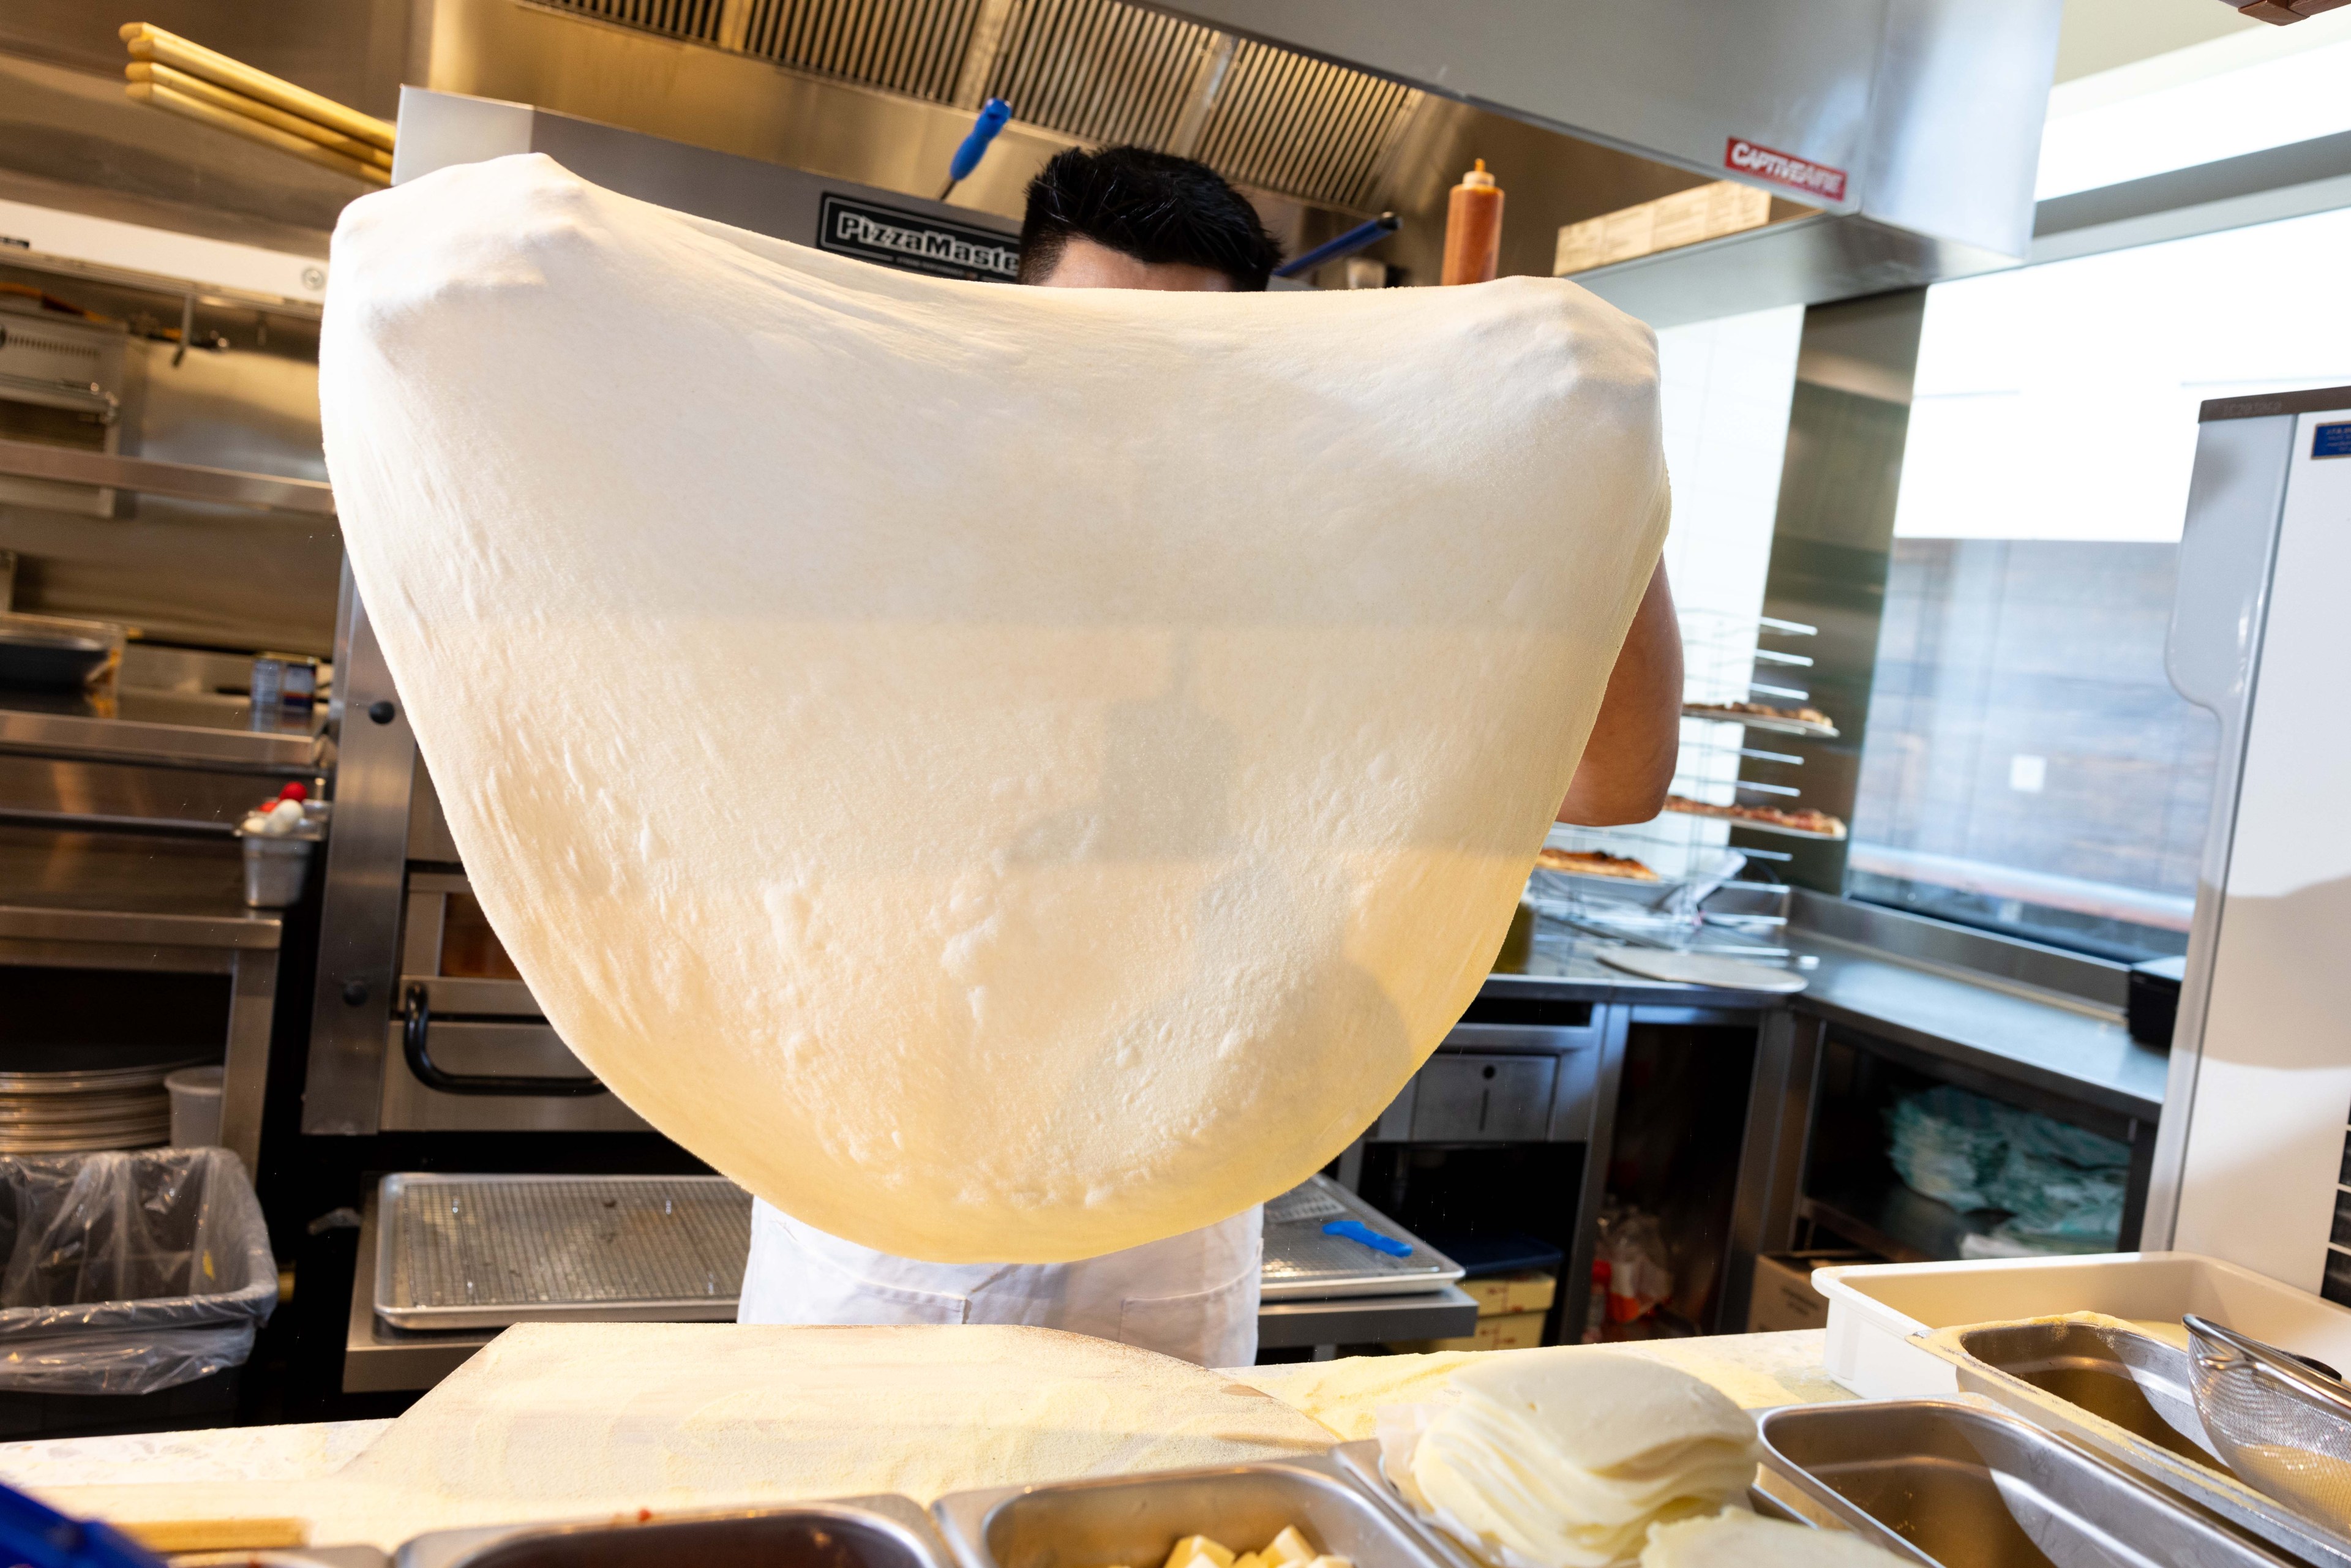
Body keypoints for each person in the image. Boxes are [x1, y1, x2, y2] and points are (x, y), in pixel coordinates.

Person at [737, 145, 1681, 1365]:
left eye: (1179, 381)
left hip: (1165, 1257)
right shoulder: (887, 527)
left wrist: (1598, 467)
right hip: (873, 1251)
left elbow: (1616, 780)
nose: (1130, 427)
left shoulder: (1314, 569)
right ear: (1013, 343)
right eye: (1093, 372)